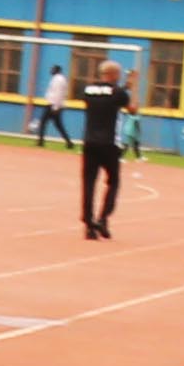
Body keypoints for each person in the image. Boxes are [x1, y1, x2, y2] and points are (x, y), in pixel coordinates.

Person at [74, 60, 134, 238]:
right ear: (114, 75)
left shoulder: (87, 90)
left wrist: (124, 87)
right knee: (113, 182)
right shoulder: (119, 93)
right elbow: (132, 108)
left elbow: (106, 95)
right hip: (109, 143)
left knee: (88, 183)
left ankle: (89, 224)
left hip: (90, 142)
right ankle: (103, 218)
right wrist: (134, 87)